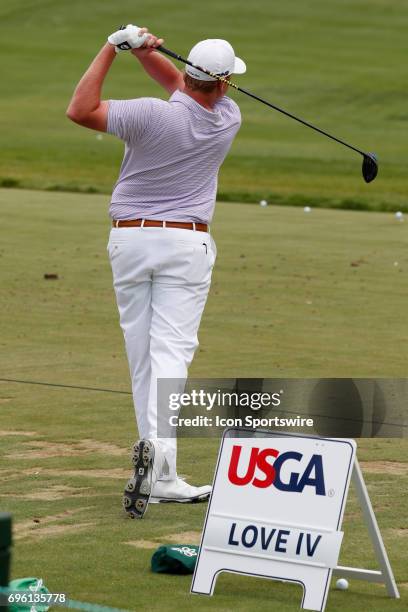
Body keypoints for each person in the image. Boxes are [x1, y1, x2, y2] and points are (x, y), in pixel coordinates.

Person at [66, 24, 246, 518]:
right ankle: (161, 462)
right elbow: (186, 91)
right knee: (170, 351)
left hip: (129, 238)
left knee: (141, 351)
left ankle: (158, 462)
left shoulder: (147, 114)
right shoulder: (228, 117)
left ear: (189, 74)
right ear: (226, 83)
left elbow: (80, 109)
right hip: (185, 243)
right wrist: (146, 52)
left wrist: (112, 47)